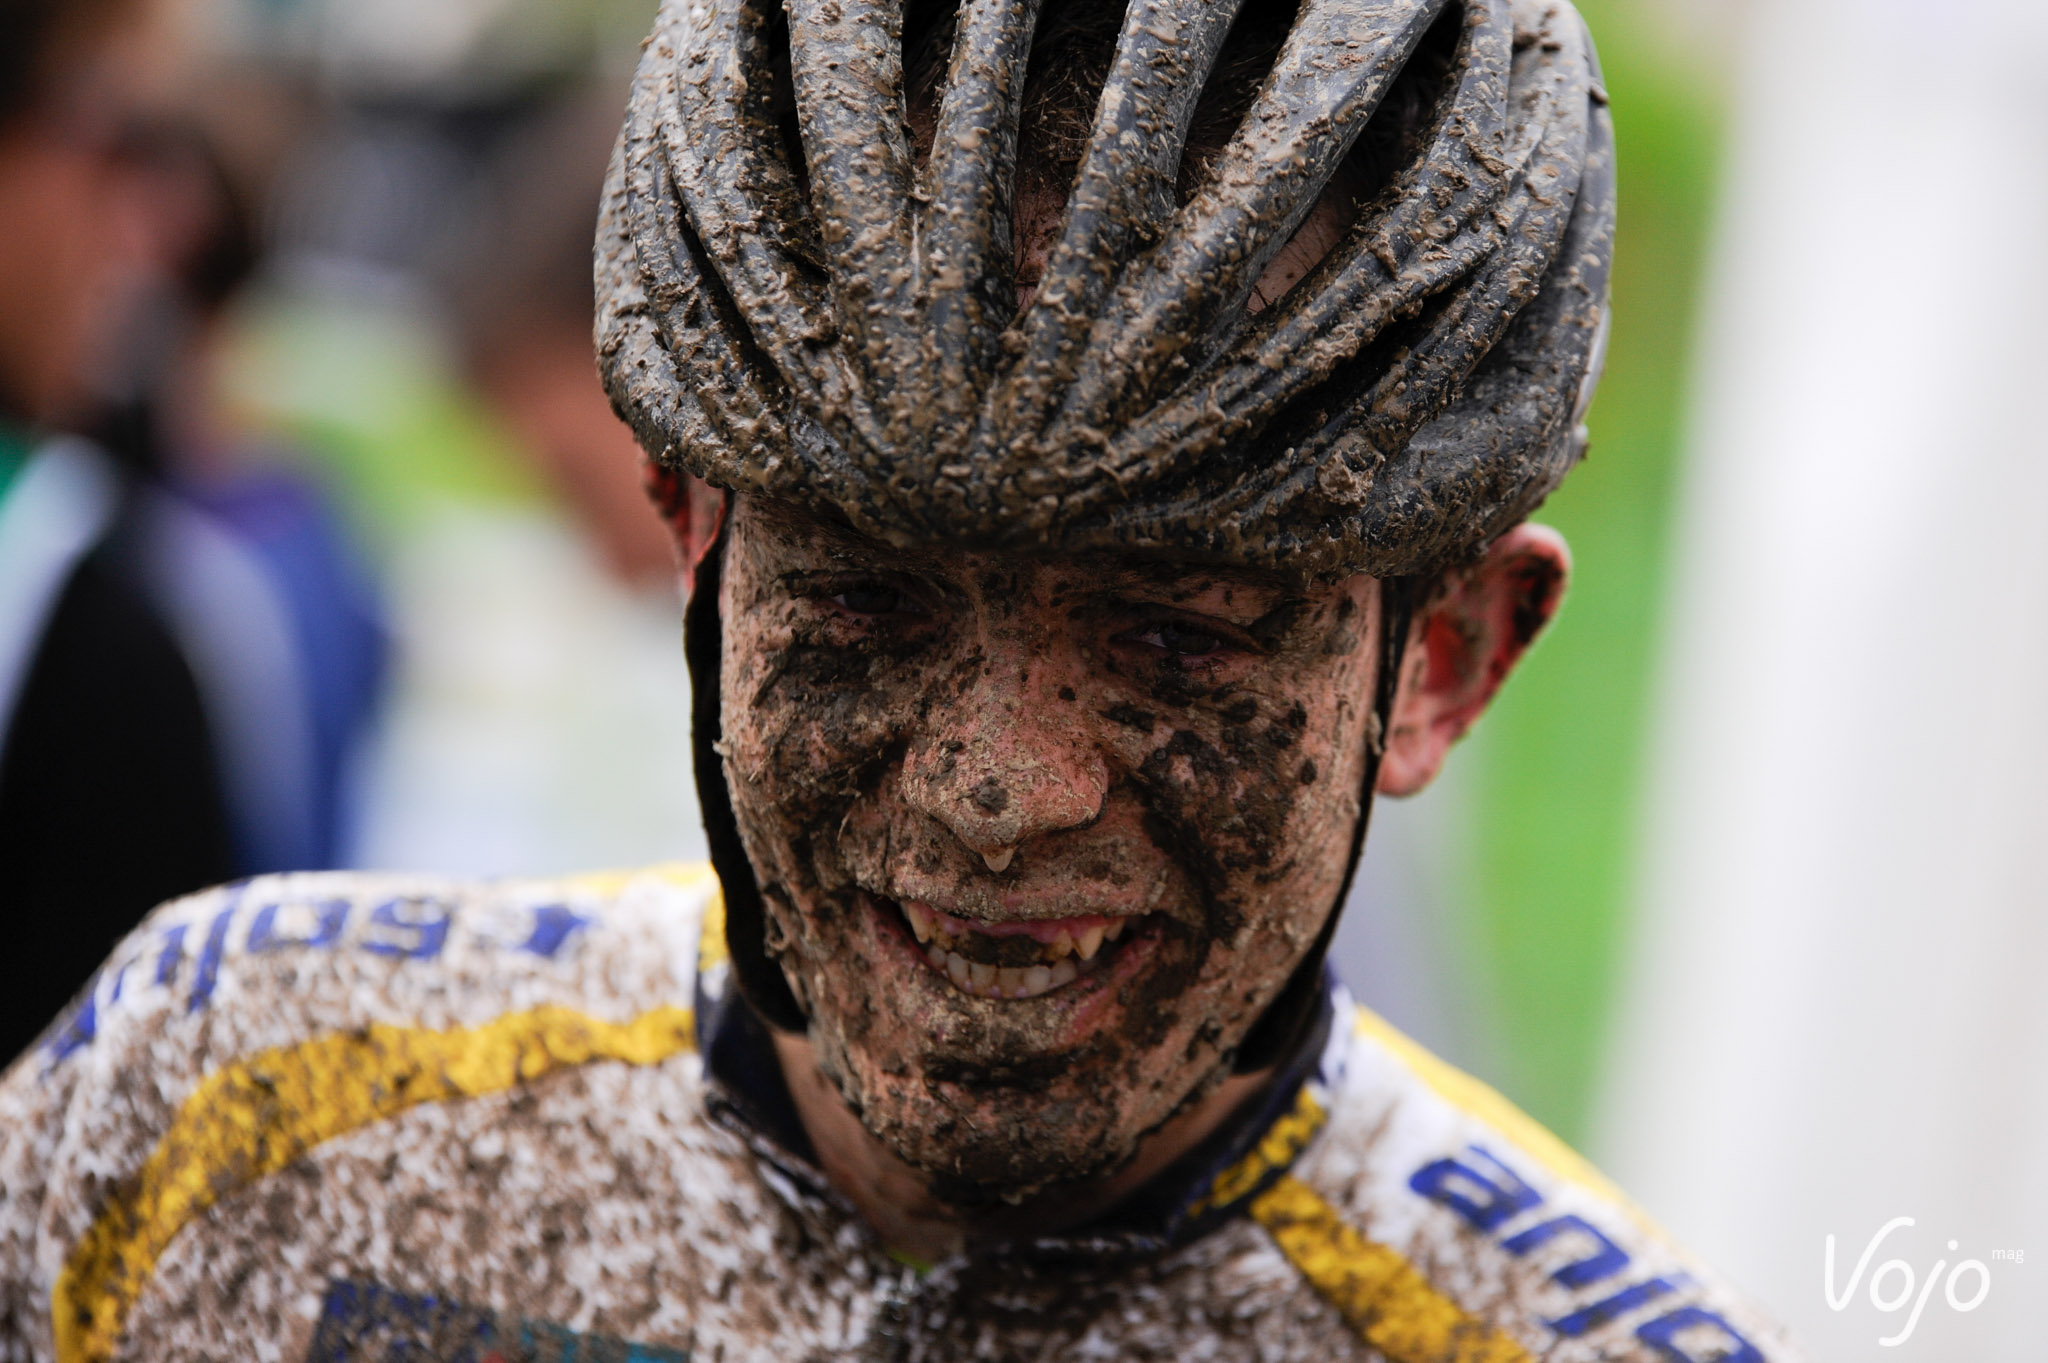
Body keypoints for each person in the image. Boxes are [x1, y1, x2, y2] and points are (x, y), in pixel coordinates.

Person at [0, 1, 1802, 1359]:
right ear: (693, 535)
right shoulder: (221, 1119)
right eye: (864, 601)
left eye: (1175, 632)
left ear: (1447, 661)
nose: (998, 787)